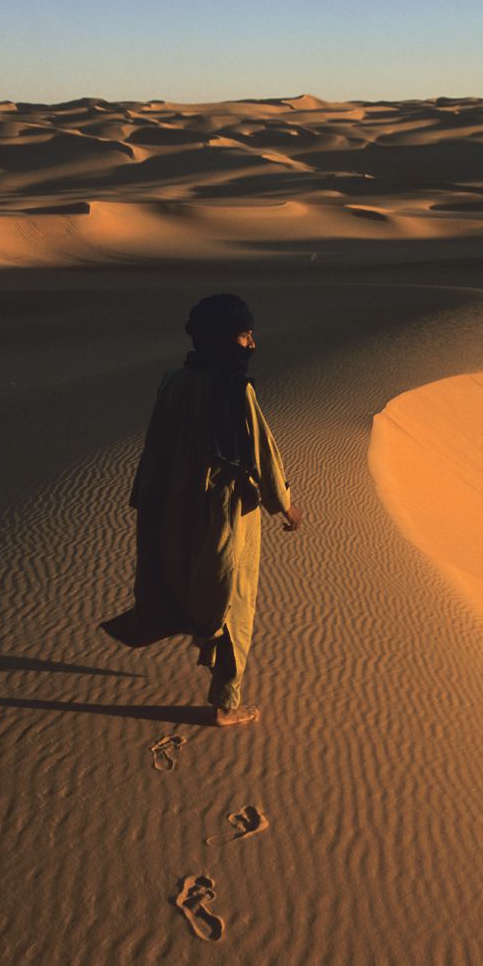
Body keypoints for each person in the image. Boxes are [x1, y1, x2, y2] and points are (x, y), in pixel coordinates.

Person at [125, 293, 302, 726]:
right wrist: (285, 505)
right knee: (234, 600)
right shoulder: (235, 389)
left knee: (189, 579)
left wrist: (146, 494)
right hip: (227, 511)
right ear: (225, 340)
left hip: (176, 503)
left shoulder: (173, 380)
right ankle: (227, 702)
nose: (251, 344)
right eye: (244, 335)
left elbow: (155, 443)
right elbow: (262, 451)